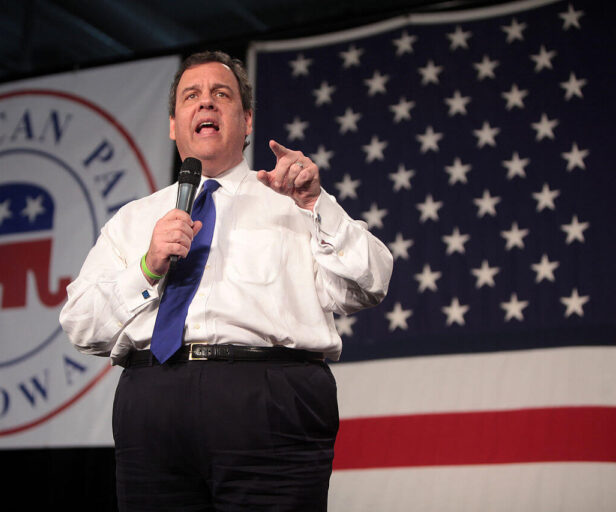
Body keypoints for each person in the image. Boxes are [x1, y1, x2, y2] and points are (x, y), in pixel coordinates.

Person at [60, 50, 393, 511]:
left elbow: (371, 283)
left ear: (247, 119)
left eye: (222, 94)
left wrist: (318, 205)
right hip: (152, 407)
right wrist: (147, 267)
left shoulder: (294, 202)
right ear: (174, 125)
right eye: (191, 96)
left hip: (270, 405)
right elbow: (80, 325)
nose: (206, 104)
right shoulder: (133, 220)